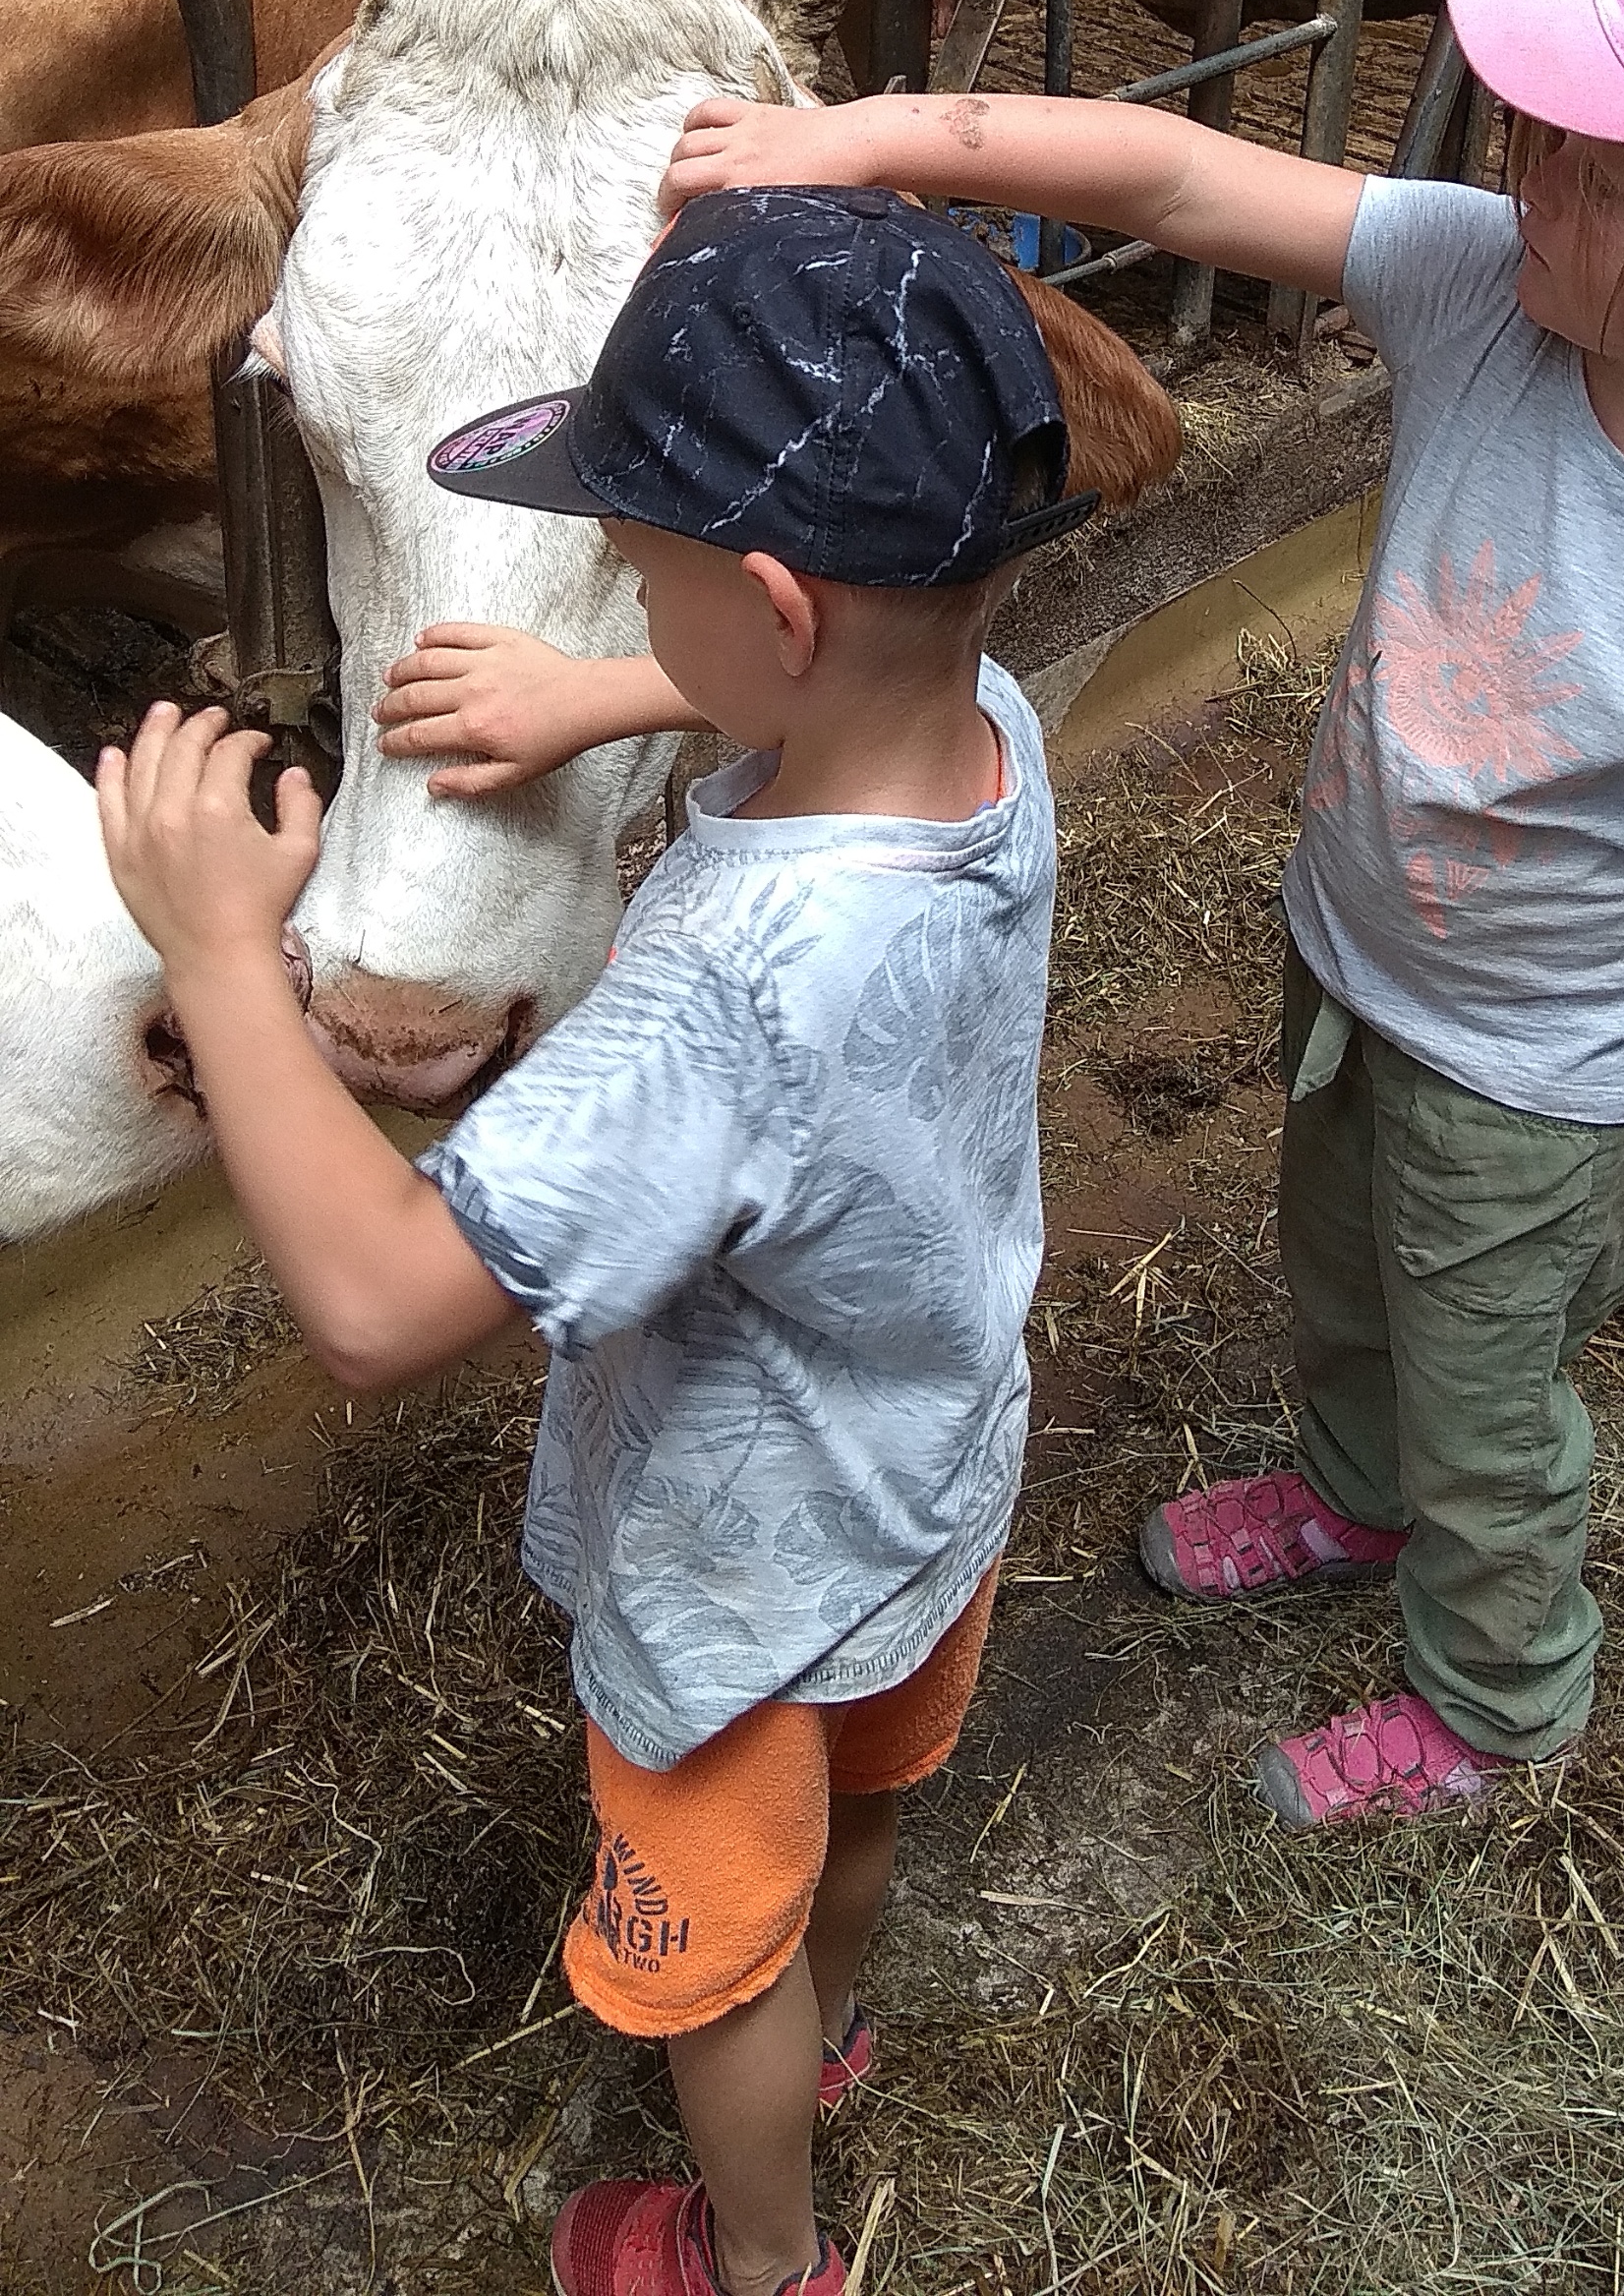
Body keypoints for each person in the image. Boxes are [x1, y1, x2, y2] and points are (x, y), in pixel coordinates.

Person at [658, 0, 1624, 1830]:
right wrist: (867, 140)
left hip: (1540, 1091)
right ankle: (1356, 1494)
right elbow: (1180, 171)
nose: (1515, 161)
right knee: (1344, 1274)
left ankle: (1501, 1699)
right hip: (1350, 957)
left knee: (1491, 1407)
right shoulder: (1483, 287)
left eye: (1584, 162)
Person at [97, 184, 1098, 2296]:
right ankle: (834, 2034)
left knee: (709, 1951)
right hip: (935, 1456)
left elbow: (378, 1302)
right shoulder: (990, 724)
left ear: (770, 610)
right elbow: (815, 664)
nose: (619, 604)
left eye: (633, 572)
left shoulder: (720, 996)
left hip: (739, 1568)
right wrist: (609, 694)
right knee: (865, 1806)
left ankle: (759, 2250)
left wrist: (225, 954)